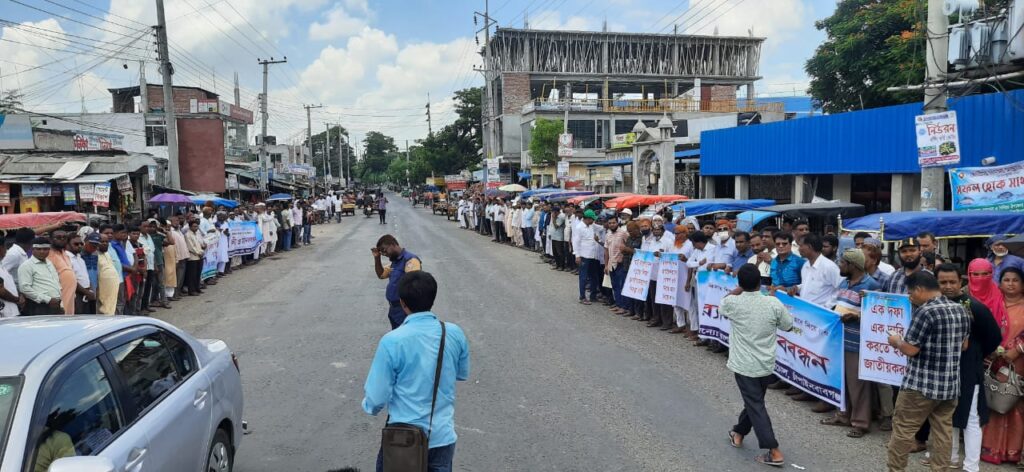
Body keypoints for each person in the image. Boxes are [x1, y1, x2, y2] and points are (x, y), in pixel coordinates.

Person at [363, 271, 469, 472]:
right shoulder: (453, 333)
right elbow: (461, 373)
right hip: (442, 436)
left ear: (402, 303)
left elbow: (375, 399)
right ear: (433, 298)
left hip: (403, 437)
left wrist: (369, 407)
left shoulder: (392, 340)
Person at [886, 271, 971, 471]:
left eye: (910, 292)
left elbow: (911, 349)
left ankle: (895, 469)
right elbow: (964, 345)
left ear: (920, 289)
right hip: (949, 385)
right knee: (943, 432)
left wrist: (896, 341)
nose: (910, 297)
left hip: (919, 385)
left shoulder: (925, 312)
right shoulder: (960, 310)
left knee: (903, 430)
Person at [922, 263, 1000, 471]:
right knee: (946, 414)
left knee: (971, 417)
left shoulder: (974, 307)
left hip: (968, 369)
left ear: (961, 282)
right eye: (943, 282)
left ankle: (971, 465)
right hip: (942, 369)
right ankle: (950, 456)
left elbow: (994, 337)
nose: (948, 286)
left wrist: (975, 354)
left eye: (952, 282)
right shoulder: (933, 305)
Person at [724, 264, 794, 467]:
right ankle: (738, 432)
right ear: (760, 281)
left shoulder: (732, 302)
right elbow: (788, 325)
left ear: (740, 284)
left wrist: (735, 291)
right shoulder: (773, 303)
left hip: (744, 364)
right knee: (754, 401)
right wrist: (773, 298)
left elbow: (723, 305)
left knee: (755, 404)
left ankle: (773, 450)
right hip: (765, 363)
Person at [821, 249, 880, 436]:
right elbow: (834, 303)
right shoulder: (844, 282)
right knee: (842, 381)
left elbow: (877, 313)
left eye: (842, 263)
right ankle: (843, 415)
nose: (839, 266)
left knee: (858, 384)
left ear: (852, 265)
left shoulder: (871, 285)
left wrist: (856, 315)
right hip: (840, 339)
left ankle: (861, 423)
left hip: (857, 341)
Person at [981, 266, 1024, 464]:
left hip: (1019, 362)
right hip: (995, 361)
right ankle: (992, 449)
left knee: (1014, 403)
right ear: (1000, 283)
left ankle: (1013, 451)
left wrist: (1016, 351)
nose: (1011, 284)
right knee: (995, 399)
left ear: (1022, 284)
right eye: (1007, 280)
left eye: (1015, 280)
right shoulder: (994, 304)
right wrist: (992, 349)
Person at [373, 235, 422, 329]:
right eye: (382, 253)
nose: (384, 254)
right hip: (394, 309)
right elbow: (381, 274)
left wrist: (409, 311)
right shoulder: (395, 262)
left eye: (384, 250)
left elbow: (413, 286)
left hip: (405, 310)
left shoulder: (410, 260)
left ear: (393, 244)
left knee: (405, 339)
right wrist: (377, 258)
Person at [790, 233, 842, 308]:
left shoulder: (829, 267)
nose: (799, 249)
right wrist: (797, 288)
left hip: (821, 313)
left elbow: (841, 289)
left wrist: (827, 307)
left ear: (809, 247)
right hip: (805, 310)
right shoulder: (805, 265)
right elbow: (810, 285)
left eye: (801, 246)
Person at [17, 237, 63, 316]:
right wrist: (48, 299)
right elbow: (25, 289)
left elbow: (55, 283)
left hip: (55, 305)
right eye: (38, 249)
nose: (42, 252)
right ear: (32, 249)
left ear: (49, 250)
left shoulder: (49, 263)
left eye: (45, 249)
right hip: (38, 306)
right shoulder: (27, 266)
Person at [46, 231, 78, 315]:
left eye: (64, 237)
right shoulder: (48, 254)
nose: (62, 239)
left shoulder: (64, 253)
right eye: (58, 237)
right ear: (50, 239)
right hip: (58, 297)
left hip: (70, 296)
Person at [574, 210, 601, 305]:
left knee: (594, 276)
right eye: (592, 219)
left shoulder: (591, 225)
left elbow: (601, 228)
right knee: (583, 277)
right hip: (584, 256)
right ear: (588, 218)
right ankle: (582, 297)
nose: (593, 221)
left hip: (593, 255)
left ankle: (593, 296)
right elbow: (576, 242)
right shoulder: (579, 228)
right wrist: (577, 255)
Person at [68, 234, 96, 314]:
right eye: (76, 244)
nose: (79, 246)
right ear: (68, 244)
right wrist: (86, 292)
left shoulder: (80, 258)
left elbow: (86, 276)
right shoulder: (67, 258)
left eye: (81, 244)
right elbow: (71, 280)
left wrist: (90, 290)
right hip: (76, 294)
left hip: (86, 294)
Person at [0, 237, 23, 318]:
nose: (6, 250)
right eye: (5, 247)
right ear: (1, 248)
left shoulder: (2, 265)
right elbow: (1, 291)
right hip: (4, 313)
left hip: (9, 312)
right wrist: (17, 300)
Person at [184, 219, 205, 296]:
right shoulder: (187, 235)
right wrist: (199, 253)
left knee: (198, 273)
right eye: (194, 226)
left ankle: (197, 288)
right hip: (192, 257)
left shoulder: (196, 234)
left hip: (199, 256)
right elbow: (191, 247)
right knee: (192, 275)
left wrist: (202, 250)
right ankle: (191, 290)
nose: (196, 228)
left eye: (197, 226)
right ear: (190, 227)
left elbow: (199, 244)